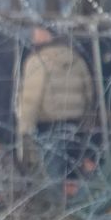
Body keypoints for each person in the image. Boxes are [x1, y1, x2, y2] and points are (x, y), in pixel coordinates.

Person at [16, 27, 94, 182]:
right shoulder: (76, 59)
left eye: (36, 33)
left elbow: (31, 98)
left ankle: (58, 205)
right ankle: (80, 204)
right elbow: (89, 93)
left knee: (52, 178)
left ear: (46, 34)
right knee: (74, 175)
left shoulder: (37, 61)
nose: (33, 37)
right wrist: (85, 119)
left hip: (48, 127)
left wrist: (24, 129)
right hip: (75, 126)